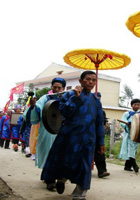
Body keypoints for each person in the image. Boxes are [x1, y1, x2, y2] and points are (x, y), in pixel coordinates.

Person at [41, 71, 105, 200]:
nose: (91, 82)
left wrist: (101, 142)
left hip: (88, 139)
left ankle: (79, 193)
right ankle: (61, 179)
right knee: (66, 162)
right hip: (69, 137)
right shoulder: (69, 95)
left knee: (85, 165)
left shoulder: (96, 102)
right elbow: (64, 112)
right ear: (80, 81)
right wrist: (75, 98)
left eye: (94, 80)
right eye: (88, 79)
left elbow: (99, 123)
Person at [27, 77, 66, 190]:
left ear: (63, 88)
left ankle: (53, 177)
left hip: (62, 131)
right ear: (51, 87)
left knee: (60, 156)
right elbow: (38, 111)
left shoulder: (67, 98)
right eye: (55, 87)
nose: (57, 89)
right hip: (47, 131)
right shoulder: (45, 98)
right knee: (49, 154)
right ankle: (50, 181)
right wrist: (34, 106)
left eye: (59, 88)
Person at [119, 98, 140, 173]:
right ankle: (134, 165)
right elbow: (122, 122)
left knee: (133, 149)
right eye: (135, 104)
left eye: (138, 105)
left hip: (136, 135)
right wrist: (128, 124)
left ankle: (127, 166)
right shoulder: (126, 114)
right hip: (128, 134)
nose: (136, 106)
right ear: (131, 105)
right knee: (129, 149)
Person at [94, 92, 110, 178]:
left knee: (100, 152)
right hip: (86, 134)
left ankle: (102, 171)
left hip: (97, 134)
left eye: (99, 98)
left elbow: (103, 122)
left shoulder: (102, 111)